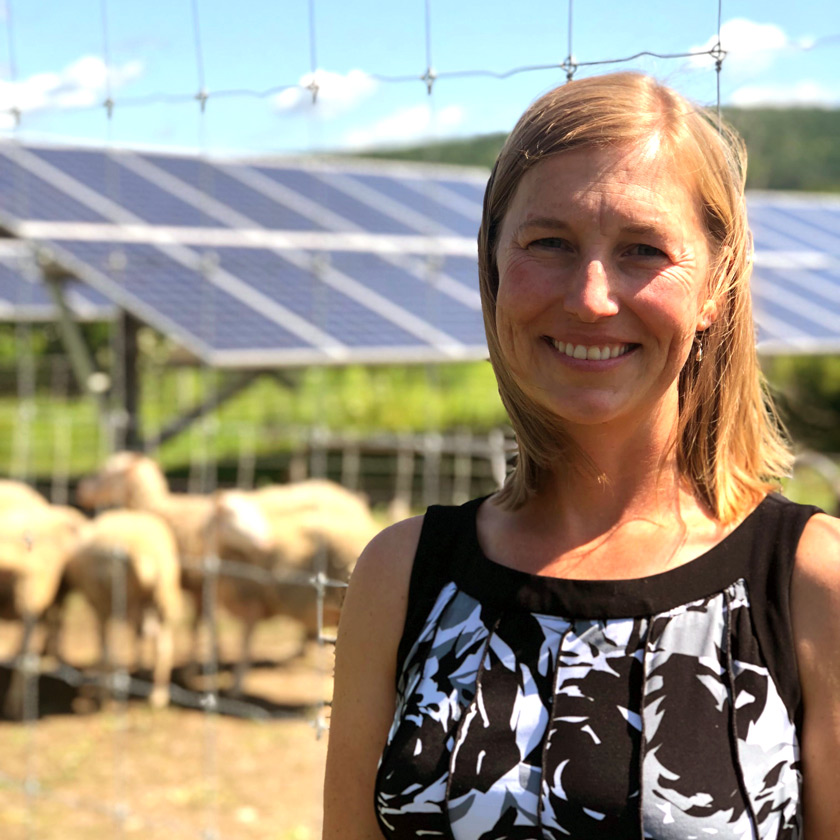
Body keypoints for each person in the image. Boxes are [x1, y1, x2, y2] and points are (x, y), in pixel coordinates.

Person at [322, 72, 840, 839]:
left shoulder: (808, 583)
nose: (592, 296)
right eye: (550, 243)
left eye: (643, 249)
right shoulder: (401, 576)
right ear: (494, 265)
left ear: (713, 293)